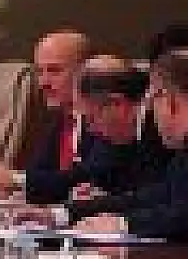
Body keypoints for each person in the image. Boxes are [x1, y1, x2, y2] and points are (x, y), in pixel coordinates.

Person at [17, 50, 188, 242]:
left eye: (155, 98)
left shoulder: (165, 139)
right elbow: (155, 195)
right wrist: (64, 213)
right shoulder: (171, 146)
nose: (90, 130)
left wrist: (123, 224)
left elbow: (180, 213)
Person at [24, 57, 169, 204]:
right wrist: (94, 195)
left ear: (116, 104)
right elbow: (92, 177)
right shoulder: (115, 136)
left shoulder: (163, 131)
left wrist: (102, 202)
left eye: (91, 118)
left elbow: (163, 200)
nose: (90, 129)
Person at [0, 30, 93, 193]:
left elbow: (79, 180)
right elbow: (40, 173)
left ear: (85, 73)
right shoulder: (59, 119)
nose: (43, 83)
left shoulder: (101, 126)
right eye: (40, 71)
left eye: (54, 71)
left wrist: (17, 180)